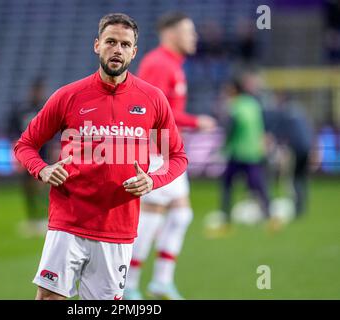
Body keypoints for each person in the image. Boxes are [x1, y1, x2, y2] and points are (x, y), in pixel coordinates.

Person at [14, 13, 188, 300]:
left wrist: (153, 182)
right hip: (69, 221)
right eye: (110, 42)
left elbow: (178, 156)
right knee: (49, 298)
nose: (117, 49)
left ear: (134, 51)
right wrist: (42, 170)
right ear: (97, 45)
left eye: (124, 44)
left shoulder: (153, 99)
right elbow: (25, 144)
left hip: (117, 228)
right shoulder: (68, 96)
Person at [124, 12, 216, 300]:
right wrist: (194, 121)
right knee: (151, 219)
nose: (194, 37)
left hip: (166, 150)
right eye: (189, 31)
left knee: (180, 214)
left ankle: (160, 281)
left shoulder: (172, 64)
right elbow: (151, 108)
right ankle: (130, 285)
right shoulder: (159, 63)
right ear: (171, 34)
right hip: (154, 152)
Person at [209, 76, 277, 237]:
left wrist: (224, 146)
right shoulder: (253, 103)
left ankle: (226, 220)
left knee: (227, 186)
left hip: (238, 152)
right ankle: (270, 218)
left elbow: (231, 127)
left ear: (233, 89)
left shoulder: (234, 105)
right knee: (259, 186)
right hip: (254, 152)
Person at [9, 79, 56, 237]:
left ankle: (44, 218)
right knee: (28, 188)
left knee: (42, 188)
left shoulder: (46, 108)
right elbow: (14, 132)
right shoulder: (23, 109)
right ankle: (32, 219)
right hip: (27, 154)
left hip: (43, 154)